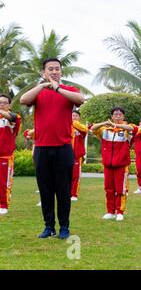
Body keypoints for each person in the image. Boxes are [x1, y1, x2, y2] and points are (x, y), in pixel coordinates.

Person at [20, 58, 85, 239]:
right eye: (50, 69)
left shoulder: (68, 91)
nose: (54, 72)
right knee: (45, 190)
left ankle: (64, 227)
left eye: (57, 69)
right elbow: (24, 99)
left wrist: (57, 88)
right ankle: (49, 226)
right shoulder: (38, 92)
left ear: (61, 72)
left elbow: (81, 99)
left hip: (63, 148)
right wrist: (43, 86)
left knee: (63, 190)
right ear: (44, 72)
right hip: (41, 148)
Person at [91, 107, 137, 221]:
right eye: (115, 114)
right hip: (108, 165)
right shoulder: (105, 129)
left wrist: (117, 125)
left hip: (121, 165)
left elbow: (133, 129)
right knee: (109, 189)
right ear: (112, 116)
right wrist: (105, 123)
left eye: (120, 114)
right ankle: (110, 211)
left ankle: (120, 211)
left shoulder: (126, 129)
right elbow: (92, 128)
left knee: (121, 189)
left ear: (123, 116)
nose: (117, 116)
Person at [0, 94, 22, 215]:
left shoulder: (14, 118)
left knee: (3, 182)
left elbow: (13, 117)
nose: (1, 104)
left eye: (4, 103)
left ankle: (4, 205)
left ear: (9, 105)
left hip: (5, 156)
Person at [70, 109, 88, 202]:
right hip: (66, 155)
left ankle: (74, 194)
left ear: (79, 118)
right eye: (72, 115)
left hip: (77, 155)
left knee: (75, 176)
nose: (74, 117)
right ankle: (66, 193)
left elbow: (85, 130)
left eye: (76, 116)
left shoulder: (81, 128)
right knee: (65, 176)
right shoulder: (66, 126)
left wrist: (74, 123)